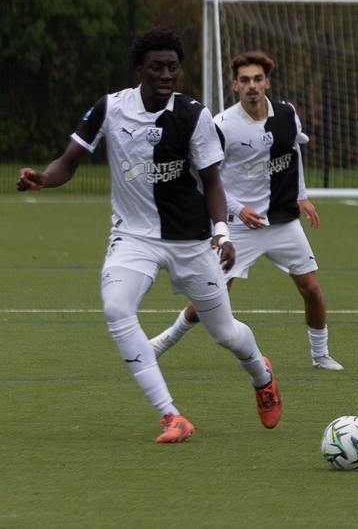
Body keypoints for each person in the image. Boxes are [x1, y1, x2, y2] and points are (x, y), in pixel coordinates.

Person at [16, 28, 282, 443]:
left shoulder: (193, 115)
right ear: (139, 69)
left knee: (225, 334)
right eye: (156, 67)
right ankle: (171, 416)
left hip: (191, 242)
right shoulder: (110, 107)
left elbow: (212, 182)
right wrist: (44, 178)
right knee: (116, 308)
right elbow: (70, 161)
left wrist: (222, 232)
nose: (166, 75)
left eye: (172, 68)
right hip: (133, 237)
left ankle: (262, 376)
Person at [149, 51, 342, 370]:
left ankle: (320, 355)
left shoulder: (286, 113)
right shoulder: (221, 125)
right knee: (210, 295)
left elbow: (293, 150)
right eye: (245, 80)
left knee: (311, 288)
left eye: (257, 79)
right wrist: (237, 210)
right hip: (239, 228)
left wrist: (302, 195)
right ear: (235, 85)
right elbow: (204, 175)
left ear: (267, 82)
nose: (252, 85)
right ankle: (165, 340)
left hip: (282, 222)